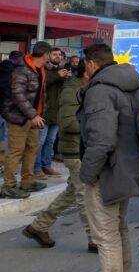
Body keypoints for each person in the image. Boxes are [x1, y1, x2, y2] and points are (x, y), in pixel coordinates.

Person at [80, 43, 139, 272]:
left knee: (106, 236)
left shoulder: (100, 91)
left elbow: (102, 140)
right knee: (119, 230)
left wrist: (87, 173)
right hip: (129, 166)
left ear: (91, 63)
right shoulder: (136, 85)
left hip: (106, 171)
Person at [23, 61, 94, 252]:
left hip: (83, 148)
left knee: (72, 191)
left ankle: (39, 226)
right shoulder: (73, 90)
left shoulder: (86, 88)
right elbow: (69, 123)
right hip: (74, 150)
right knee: (84, 195)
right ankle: (95, 239)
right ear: (87, 71)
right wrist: (96, 127)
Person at [1, 41, 52, 199]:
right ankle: (8, 186)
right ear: (45, 55)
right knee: (16, 151)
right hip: (19, 116)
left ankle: (27, 181)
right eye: (50, 54)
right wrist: (33, 115)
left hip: (33, 117)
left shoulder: (40, 68)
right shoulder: (22, 70)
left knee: (32, 148)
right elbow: (18, 95)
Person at [34, 47, 70, 179]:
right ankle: (36, 168)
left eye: (59, 54)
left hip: (57, 112)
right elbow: (41, 83)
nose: (57, 56)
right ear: (48, 55)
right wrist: (58, 75)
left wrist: (66, 79)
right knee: (40, 141)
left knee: (50, 141)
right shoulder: (43, 69)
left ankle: (47, 166)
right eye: (54, 54)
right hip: (44, 112)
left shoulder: (61, 70)